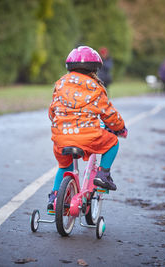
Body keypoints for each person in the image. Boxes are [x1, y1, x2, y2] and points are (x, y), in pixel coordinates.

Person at [47, 46, 128, 211]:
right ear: (95, 69)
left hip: (61, 139)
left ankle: (55, 198)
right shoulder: (95, 88)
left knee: (64, 166)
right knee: (112, 142)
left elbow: (52, 111)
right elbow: (109, 114)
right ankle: (103, 174)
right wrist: (120, 128)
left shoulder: (60, 84)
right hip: (87, 136)